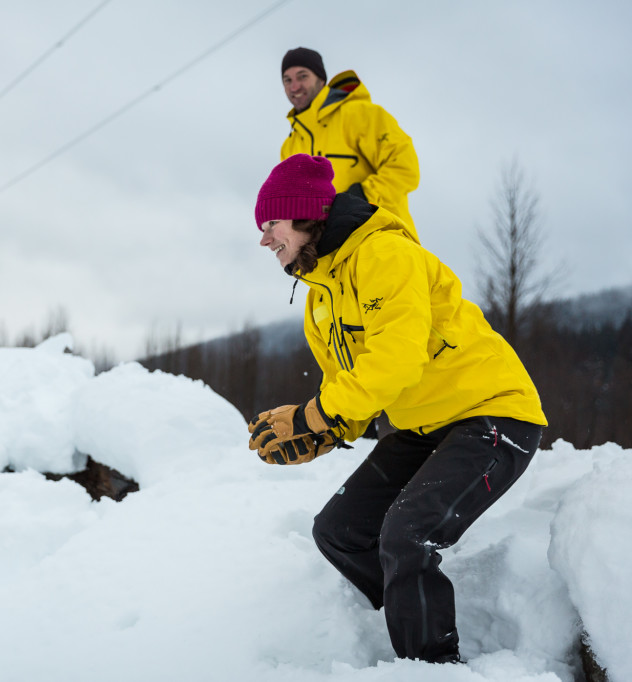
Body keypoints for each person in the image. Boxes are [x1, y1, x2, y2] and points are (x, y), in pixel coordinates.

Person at [247, 154, 547, 664]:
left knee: (407, 534)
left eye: (271, 223)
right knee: (339, 531)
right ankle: (406, 618)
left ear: (303, 215)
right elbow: (352, 383)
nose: (264, 239)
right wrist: (329, 429)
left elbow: (394, 360)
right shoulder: (322, 295)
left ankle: (432, 669)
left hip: (492, 416)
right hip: (424, 425)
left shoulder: (384, 253)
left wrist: (312, 415)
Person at [279, 47, 420, 241]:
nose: (294, 87)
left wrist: (360, 197)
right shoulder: (290, 148)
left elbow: (404, 167)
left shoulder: (360, 115)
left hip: (385, 242)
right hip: (332, 261)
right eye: (288, 80)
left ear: (321, 80)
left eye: (302, 76)